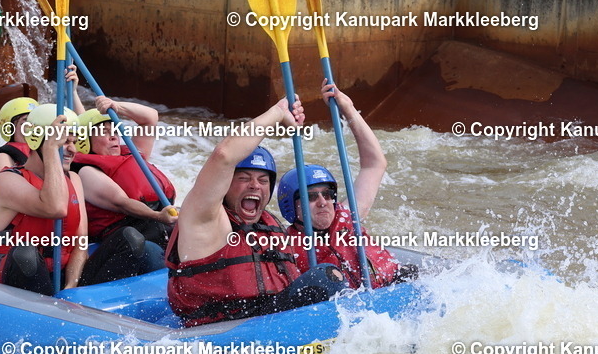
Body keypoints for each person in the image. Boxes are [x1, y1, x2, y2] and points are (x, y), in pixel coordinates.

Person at [165, 97, 348, 327]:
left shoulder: (269, 224)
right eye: (244, 179)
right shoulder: (206, 217)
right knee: (327, 278)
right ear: (225, 184)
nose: (255, 186)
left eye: (263, 180)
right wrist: (278, 113)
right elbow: (223, 156)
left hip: (267, 321)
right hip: (224, 329)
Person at [277, 82, 417, 288]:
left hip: (392, 288)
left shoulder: (348, 215)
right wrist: (276, 115)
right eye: (311, 197)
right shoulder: (286, 248)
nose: (323, 202)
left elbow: (375, 164)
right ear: (292, 206)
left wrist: (348, 108)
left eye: (327, 194)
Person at [72, 97, 177, 284]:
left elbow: (150, 117)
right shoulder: (86, 172)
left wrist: (117, 107)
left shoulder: (132, 152)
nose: (113, 136)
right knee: (154, 254)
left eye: (114, 130)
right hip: (128, 240)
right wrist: (158, 216)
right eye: (104, 132)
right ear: (84, 141)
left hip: (160, 227)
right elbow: (121, 202)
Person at [0, 104, 88, 294]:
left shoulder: (74, 179)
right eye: (64, 142)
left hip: (64, 273)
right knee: (26, 253)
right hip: (21, 274)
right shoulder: (6, 180)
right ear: (37, 141)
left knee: (128, 238)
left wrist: (71, 288)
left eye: (73, 142)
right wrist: (50, 148)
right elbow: (56, 207)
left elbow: (80, 243)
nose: (73, 149)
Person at [0, 65, 84, 176]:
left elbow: (85, 127)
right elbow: (3, 187)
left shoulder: (56, 150)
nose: (32, 127)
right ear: (9, 129)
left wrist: (73, 93)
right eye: (25, 122)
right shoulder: (4, 156)